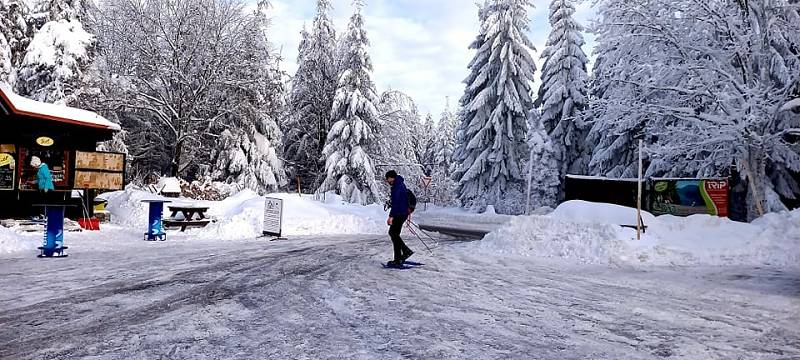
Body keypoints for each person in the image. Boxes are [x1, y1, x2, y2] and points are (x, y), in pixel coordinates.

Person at [385, 170, 414, 267]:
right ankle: (405, 252)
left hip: (399, 214)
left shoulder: (397, 186)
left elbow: (396, 203)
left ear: (391, 177)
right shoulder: (399, 184)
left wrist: (391, 217)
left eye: (387, 179)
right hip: (402, 213)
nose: (387, 181)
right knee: (394, 234)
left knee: (393, 234)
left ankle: (400, 257)